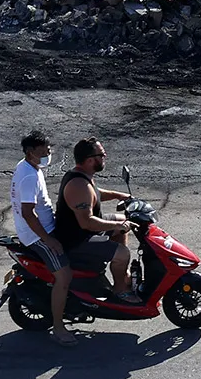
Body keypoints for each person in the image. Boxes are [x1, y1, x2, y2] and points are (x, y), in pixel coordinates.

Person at [55, 137, 140, 304]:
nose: (104, 157)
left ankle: (122, 275)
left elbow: (95, 193)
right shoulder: (78, 185)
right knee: (123, 253)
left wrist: (118, 195)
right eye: (102, 155)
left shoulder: (83, 176)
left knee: (121, 219)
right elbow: (87, 222)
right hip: (77, 241)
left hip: (86, 231)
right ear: (90, 160)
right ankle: (120, 291)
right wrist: (118, 226)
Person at [10, 131, 75, 344]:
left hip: (45, 227)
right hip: (37, 236)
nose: (49, 153)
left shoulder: (28, 166)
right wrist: (49, 240)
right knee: (64, 276)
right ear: (30, 153)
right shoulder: (29, 176)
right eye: (44, 151)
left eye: (49, 149)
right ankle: (58, 328)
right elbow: (29, 213)